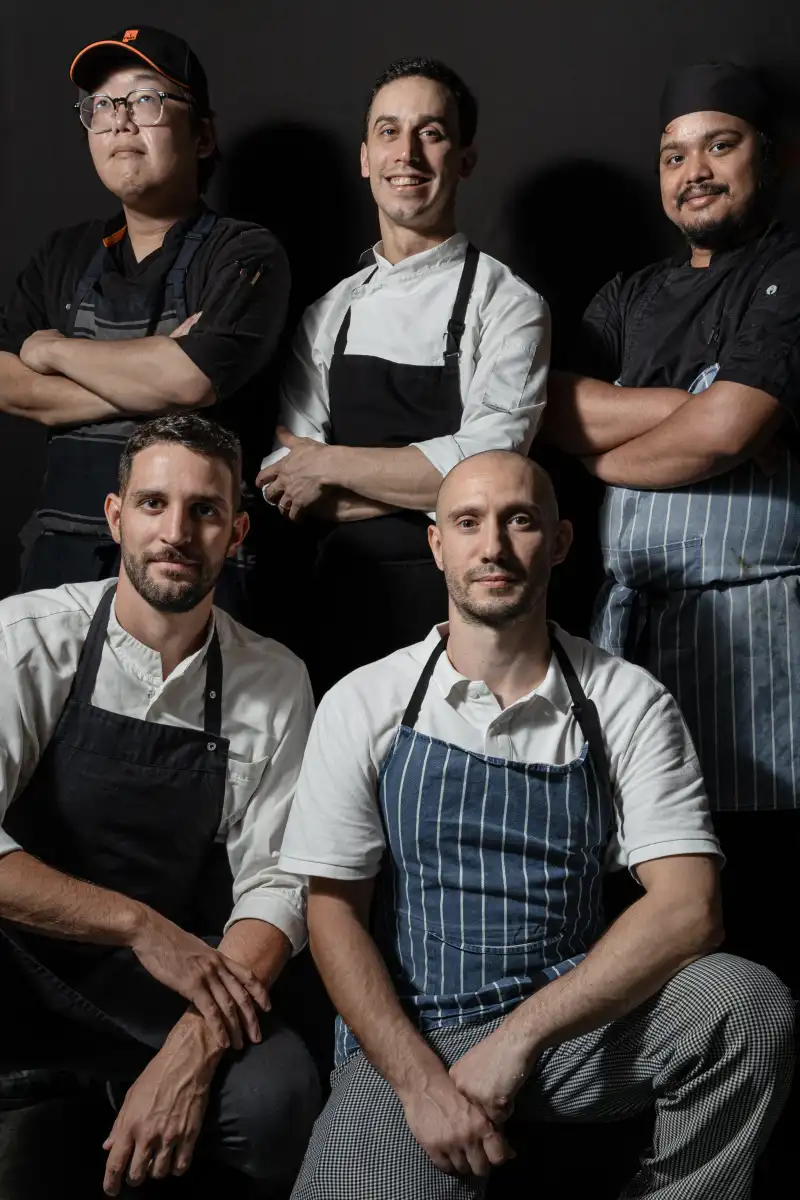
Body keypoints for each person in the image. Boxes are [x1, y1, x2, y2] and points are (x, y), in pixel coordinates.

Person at [278, 449, 793, 1200]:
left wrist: (519, 1040)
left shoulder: (626, 699)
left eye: (519, 521)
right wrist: (424, 1085)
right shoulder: (365, 700)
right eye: (468, 523)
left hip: (575, 1025)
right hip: (415, 1036)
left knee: (744, 1004)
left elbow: (690, 910)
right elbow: (332, 916)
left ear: (557, 543)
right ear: (437, 544)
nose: (493, 547)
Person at [0, 414, 320, 1195]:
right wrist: (139, 926)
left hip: (164, 986)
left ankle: (115, 1095)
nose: (176, 532)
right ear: (116, 517)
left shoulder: (273, 680)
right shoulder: (27, 636)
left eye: (205, 511)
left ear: (237, 531)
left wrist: (193, 1046)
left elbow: (281, 884)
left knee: (278, 1102)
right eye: (152, 504)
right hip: (18, 961)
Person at [542, 62, 800, 993]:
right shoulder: (626, 295)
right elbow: (560, 413)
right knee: (641, 876)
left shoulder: (787, 272)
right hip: (633, 633)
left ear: (770, 157)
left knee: (758, 891)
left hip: (759, 637)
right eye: (673, 154)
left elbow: (730, 428)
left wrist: (620, 442)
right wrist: (686, 416)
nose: (694, 170)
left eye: (719, 146)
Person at [256, 58, 550, 688]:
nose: (407, 154)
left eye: (432, 133)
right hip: (336, 607)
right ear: (365, 157)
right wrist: (429, 491)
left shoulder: (508, 304)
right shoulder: (327, 313)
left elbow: (490, 474)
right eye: (388, 132)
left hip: (462, 615)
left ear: (464, 159)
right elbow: (281, 479)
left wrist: (328, 463)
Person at [0, 26, 290, 628]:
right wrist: (155, 368)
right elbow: (10, 385)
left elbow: (188, 384)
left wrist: (50, 348)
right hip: (61, 566)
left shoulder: (244, 252)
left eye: (145, 100)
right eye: (101, 106)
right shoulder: (63, 254)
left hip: (192, 575)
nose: (119, 122)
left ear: (203, 134)